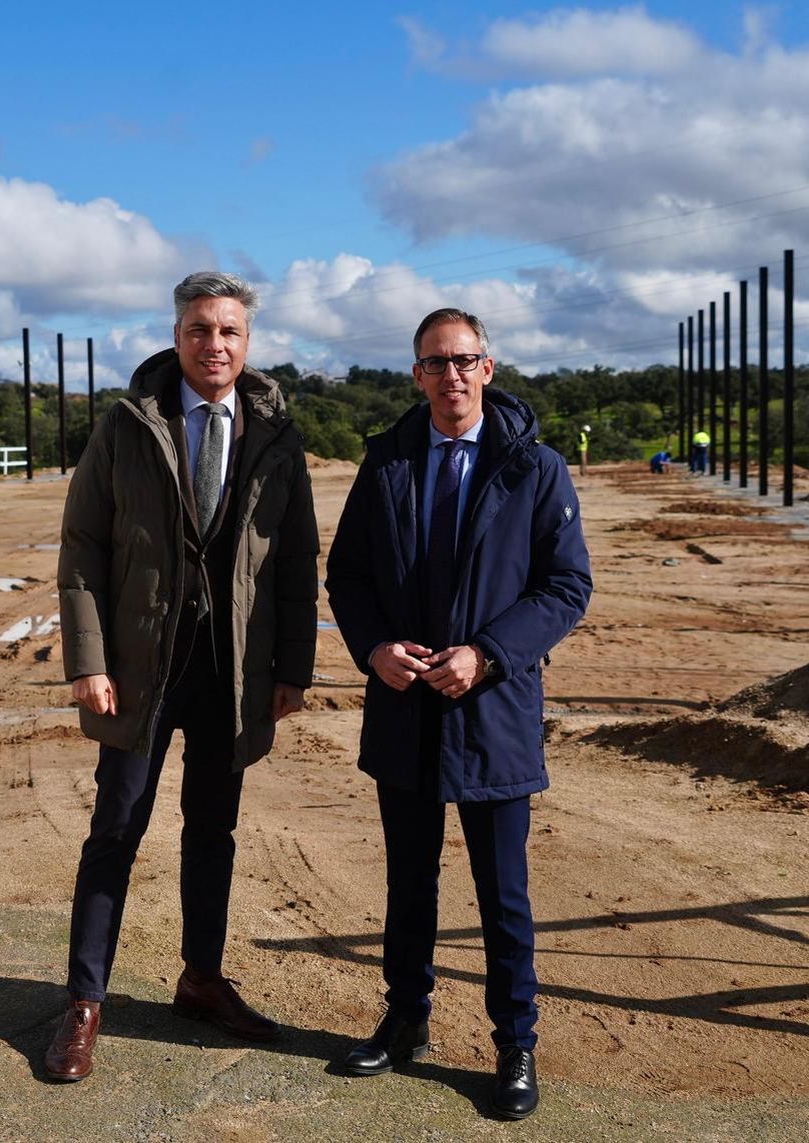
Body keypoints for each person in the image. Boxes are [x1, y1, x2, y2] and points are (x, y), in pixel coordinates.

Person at [45, 271, 319, 1082]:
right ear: (177, 335)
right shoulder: (128, 426)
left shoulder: (276, 433)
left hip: (233, 669)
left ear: (247, 341)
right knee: (115, 830)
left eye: (229, 331)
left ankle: (201, 980)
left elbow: (297, 558)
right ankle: (84, 1001)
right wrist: (89, 662)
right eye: (200, 329)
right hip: (140, 666)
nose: (215, 345)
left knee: (213, 831)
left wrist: (293, 666)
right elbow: (82, 547)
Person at [325, 308, 593, 1120]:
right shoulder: (387, 464)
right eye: (435, 363)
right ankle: (406, 1019)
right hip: (404, 706)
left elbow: (566, 585)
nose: (451, 375)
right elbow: (349, 577)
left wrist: (487, 653)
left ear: (489, 367)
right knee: (409, 883)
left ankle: (516, 1044)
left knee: (501, 890)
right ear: (416, 375)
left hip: (493, 709)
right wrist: (373, 648)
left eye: (464, 360)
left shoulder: (534, 468)